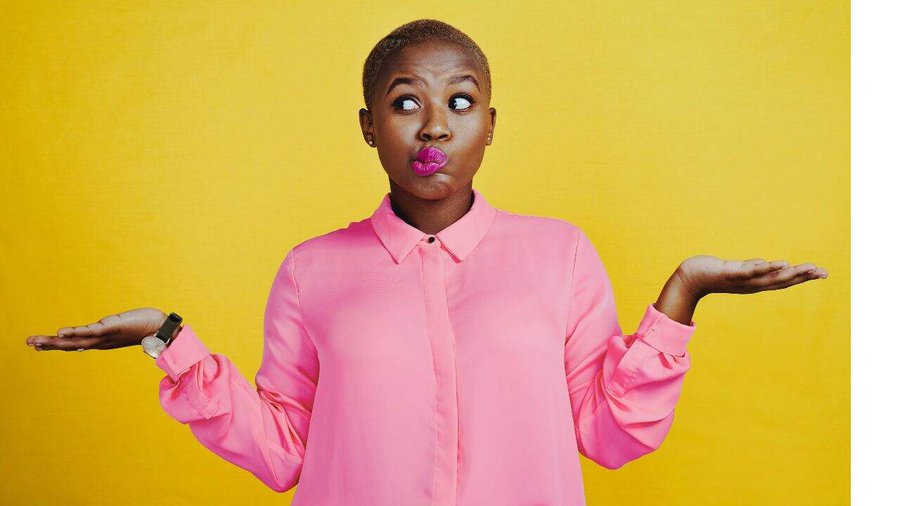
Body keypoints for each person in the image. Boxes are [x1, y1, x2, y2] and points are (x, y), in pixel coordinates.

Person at [24, 18, 827, 506]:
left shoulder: (560, 254)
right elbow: (283, 450)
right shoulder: (311, 271)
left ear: (490, 124)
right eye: (406, 101)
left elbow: (610, 433)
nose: (435, 126)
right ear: (369, 125)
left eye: (460, 101)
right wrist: (167, 340)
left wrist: (683, 295)